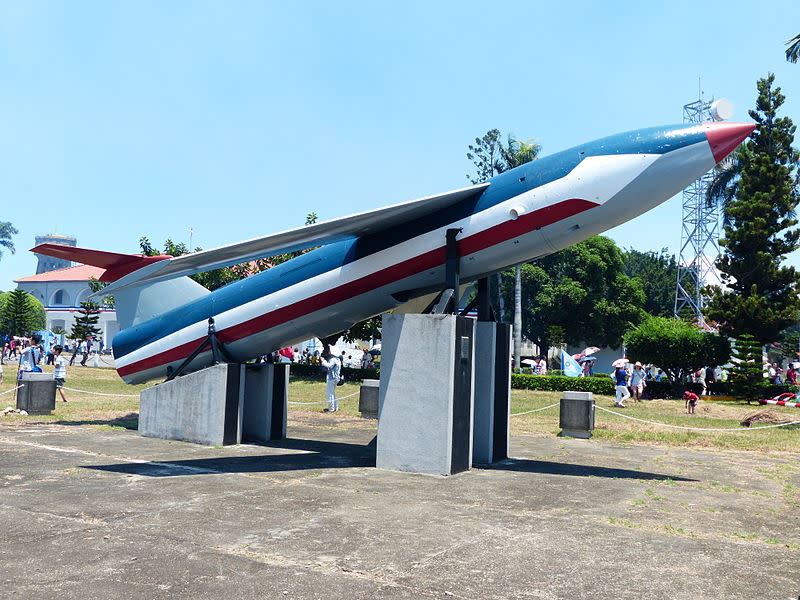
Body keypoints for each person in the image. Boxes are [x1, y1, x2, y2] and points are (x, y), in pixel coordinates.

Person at [320, 346, 342, 412]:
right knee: (333, 393)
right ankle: (335, 407)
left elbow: (329, 365)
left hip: (332, 378)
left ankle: (331, 409)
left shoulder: (333, 359)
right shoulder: (338, 359)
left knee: (330, 393)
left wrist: (323, 361)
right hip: (336, 378)